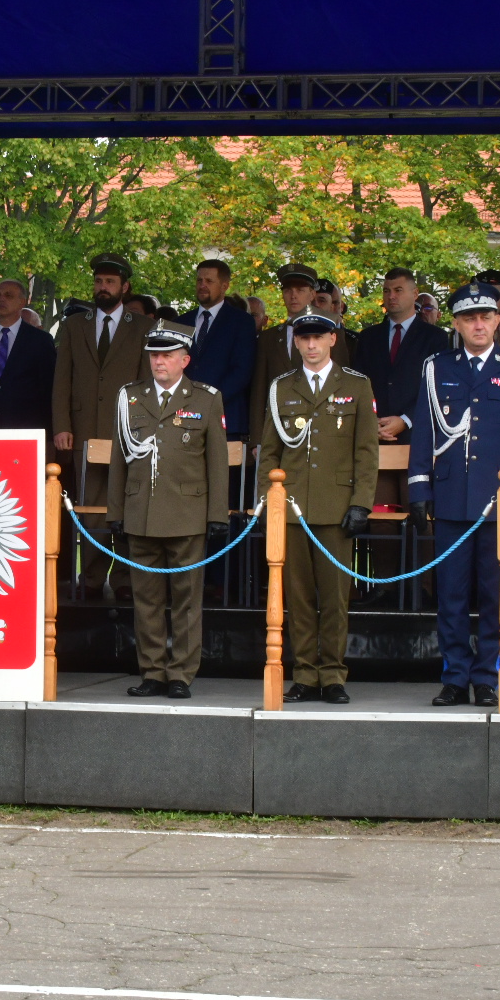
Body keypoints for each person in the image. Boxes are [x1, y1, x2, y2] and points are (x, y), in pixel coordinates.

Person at [407, 282, 500, 707]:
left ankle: (487, 676)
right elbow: (425, 431)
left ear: (496, 320)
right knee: (450, 593)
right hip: (450, 496)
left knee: (495, 593)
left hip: (499, 501)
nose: (480, 324)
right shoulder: (437, 367)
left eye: (486, 317)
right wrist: (419, 487)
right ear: (457, 324)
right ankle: (454, 676)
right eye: (470, 318)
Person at [257, 311, 379, 704]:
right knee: (298, 598)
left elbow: (366, 451)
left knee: (335, 598)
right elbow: (269, 452)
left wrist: (361, 503)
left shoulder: (357, 386)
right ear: (296, 342)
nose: (310, 345)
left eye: (318, 337)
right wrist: (267, 500)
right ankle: (305, 674)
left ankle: (334, 675)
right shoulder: (282, 387)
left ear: (332, 339)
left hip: (336, 506)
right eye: (303, 338)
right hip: (291, 508)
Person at [106, 320, 228, 700]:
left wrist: (217, 514)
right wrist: (115, 510)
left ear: (184, 360)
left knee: (187, 599)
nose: (159, 362)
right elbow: (118, 459)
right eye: (154, 355)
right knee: (147, 600)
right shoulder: (129, 396)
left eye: (167, 355)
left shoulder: (206, 398)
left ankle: (181, 673)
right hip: (141, 510)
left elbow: (217, 462)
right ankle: (153, 671)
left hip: (187, 513)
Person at [52, 253, 151, 598]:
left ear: (125, 287)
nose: (103, 287)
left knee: (126, 507)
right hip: (84, 430)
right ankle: (92, 579)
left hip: (128, 434)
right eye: (98, 281)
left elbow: (146, 383)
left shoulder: (143, 327)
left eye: (110, 282)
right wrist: (62, 425)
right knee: (91, 510)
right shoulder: (75, 325)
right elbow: (62, 380)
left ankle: (123, 580)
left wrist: (140, 430)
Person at [249, 264, 355, 438]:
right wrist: (257, 438)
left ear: (312, 294)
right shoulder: (269, 338)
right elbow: (259, 391)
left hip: (323, 428)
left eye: (300, 289)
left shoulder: (331, 334)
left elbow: (341, 382)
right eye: (288, 290)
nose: (293, 295)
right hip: (278, 428)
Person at [352, 268, 451, 445]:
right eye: (386, 291)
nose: (391, 296)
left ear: (415, 294)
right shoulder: (368, 337)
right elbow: (358, 383)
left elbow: (439, 387)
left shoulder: (435, 337)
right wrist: (370, 421)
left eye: (398, 290)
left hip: (418, 436)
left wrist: (406, 420)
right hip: (374, 436)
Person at [176, 258, 255, 439]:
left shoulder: (241, 322)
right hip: (183, 416)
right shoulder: (181, 322)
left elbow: (242, 371)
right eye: (199, 280)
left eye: (209, 281)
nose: (202, 285)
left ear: (224, 286)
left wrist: (209, 400)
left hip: (225, 416)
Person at [0, 278, 56, 431]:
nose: (1, 299)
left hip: (25, 429)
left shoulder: (40, 341)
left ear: (22, 302)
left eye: (8, 295)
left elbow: (47, 389)